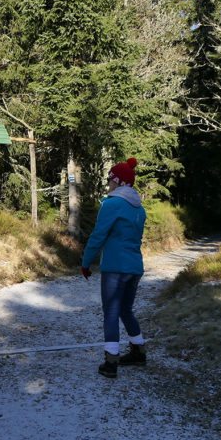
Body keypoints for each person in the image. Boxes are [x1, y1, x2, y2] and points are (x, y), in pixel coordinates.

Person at [80, 158, 148, 377]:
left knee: (110, 312)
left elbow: (98, 235)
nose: (108, 183)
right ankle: (138, 352)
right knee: (126, 310)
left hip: (115, 268)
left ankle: (110, 363)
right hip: (135, 267)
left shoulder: (111, 204)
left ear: (117, 181)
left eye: (110, 179)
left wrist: (86, 262)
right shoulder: (140, 208)